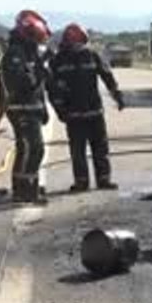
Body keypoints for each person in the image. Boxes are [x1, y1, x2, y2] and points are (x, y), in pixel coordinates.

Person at [47, 23, 125, 192]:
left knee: (100, 148)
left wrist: (117, 95)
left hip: (94, 113)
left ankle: (103, 180)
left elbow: (107, 76)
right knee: (78, 151)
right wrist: (60, 110)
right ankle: (81, 182)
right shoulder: (57, 61)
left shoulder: (91, 55)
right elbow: (52, 89)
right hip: (74, 116)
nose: (78, 45)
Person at [0, 9, 52, 205]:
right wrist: (40, 69)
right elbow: (22, 84)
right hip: (21, 109)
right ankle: (26, 191)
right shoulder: (15, 54)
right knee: (34, 148)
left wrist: (42, 108)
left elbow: (38, 86)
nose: (38, 43)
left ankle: (26, 188)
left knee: (26, 149)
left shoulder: (29, 52)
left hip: (31, 108)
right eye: (36, 39)